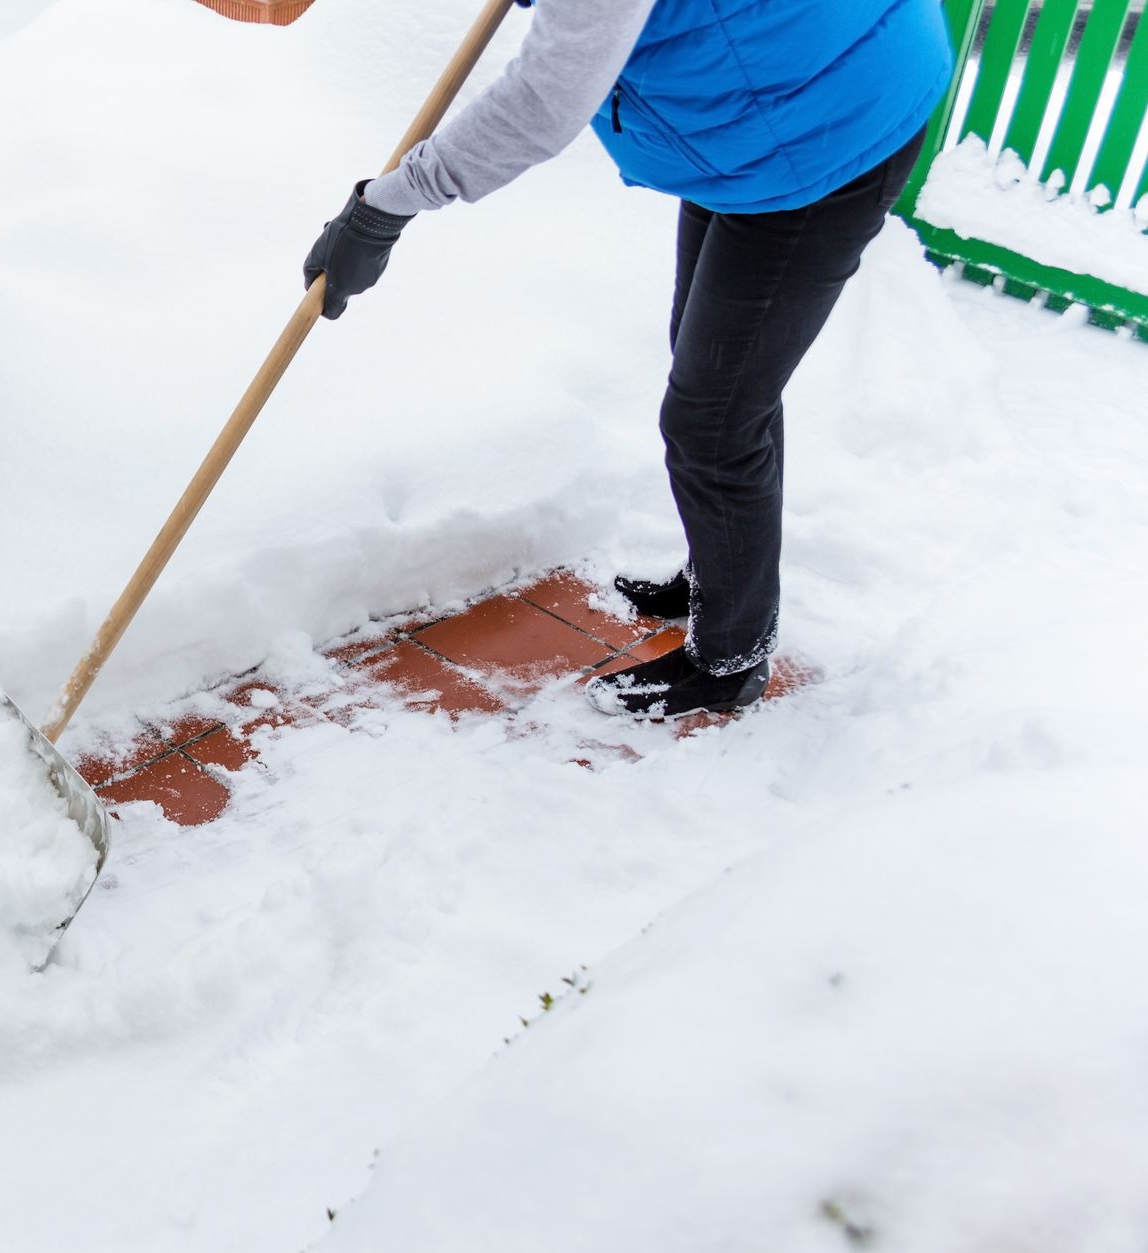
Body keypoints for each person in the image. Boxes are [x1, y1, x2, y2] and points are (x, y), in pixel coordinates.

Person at [303, 0, 953, 719]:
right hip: (762, 104)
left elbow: (543, 101)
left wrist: (384, 207)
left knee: (713, 416)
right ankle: (722, 577)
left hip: (823, 126)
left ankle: (729, 657)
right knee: (718, 381)